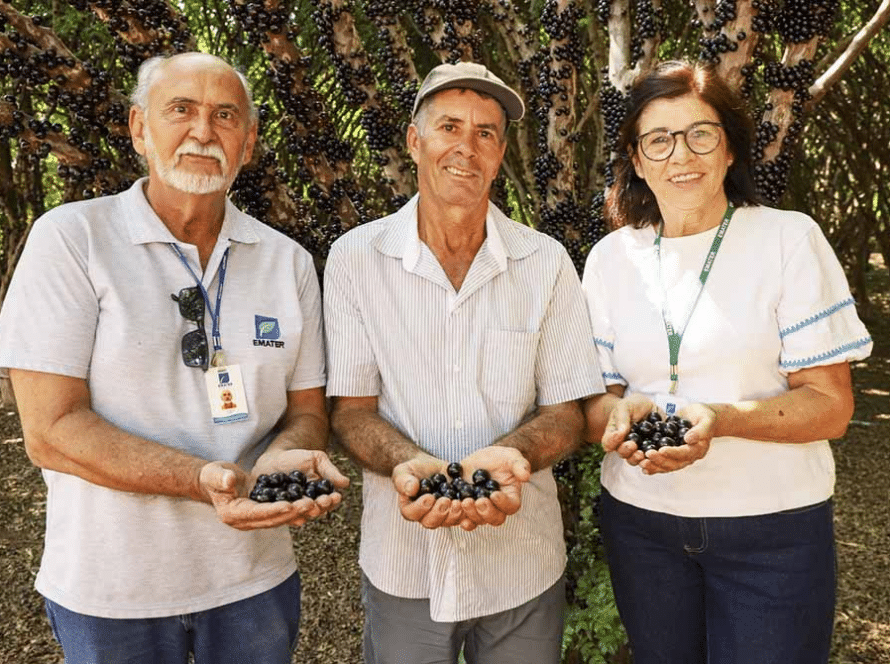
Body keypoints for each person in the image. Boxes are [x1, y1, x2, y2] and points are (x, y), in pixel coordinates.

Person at [0, 52, 349, 664]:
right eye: (180, 110)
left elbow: (306, 411)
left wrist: (286, 457)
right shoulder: (73, 239)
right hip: (111, 593)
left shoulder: (287, 261)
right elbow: (49, 432)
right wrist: (202, 480)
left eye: (225, 116)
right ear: (140, 128)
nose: (203, 132)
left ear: (248, 142)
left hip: (253, 582)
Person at [581, 60, 874, 664]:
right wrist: (619, 412)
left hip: (772, 534)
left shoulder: (788, 240)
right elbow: (594, 402)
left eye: (701, 134)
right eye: (658, 139)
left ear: (730, 148)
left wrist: (719, 417)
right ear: (636, 159)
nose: (680, 155)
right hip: (642, 527)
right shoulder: (613, 258)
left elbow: (830, 406)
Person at [323, 62, 605, 663]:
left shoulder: (545, 262)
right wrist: (407, 462)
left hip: (521, 563)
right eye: (449, 126)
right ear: (413, 139)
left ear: (501, 152)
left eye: (485, 133)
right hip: (403, 562)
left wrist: (516, 455)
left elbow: (567, 412)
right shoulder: (354, 259)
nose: (466, 147)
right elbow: (350, 411)